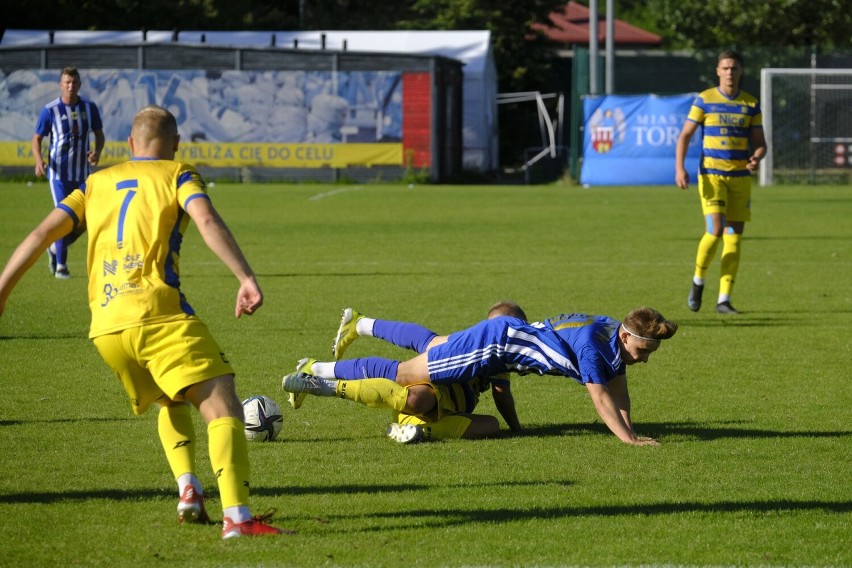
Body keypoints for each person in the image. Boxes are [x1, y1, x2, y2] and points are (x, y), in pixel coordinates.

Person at [2, 105, 286, 539]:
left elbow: (42, 234)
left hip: (106, 327)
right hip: (159, 315)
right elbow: (206, 218)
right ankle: (238, 518)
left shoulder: (95, 183)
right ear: (175, 146)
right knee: (221, 402)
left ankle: (189, 489)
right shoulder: (178, 174)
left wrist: (2, 290)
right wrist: (245, 277)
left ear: (130, 146)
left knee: (170, 399)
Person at [284, 306, 677, 446]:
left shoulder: (614, 333)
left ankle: (360, 325)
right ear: (627, 336)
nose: (643, 359)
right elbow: (601, 398)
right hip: (496, 345)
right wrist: (627, 440)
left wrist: (633, 430)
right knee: (405, 373)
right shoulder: (595, 346)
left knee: (433, 343)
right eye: (642, 350)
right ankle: (315, 370)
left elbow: (619, 390)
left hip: (500, 342)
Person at [290, 301, 525, 444]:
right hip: (418, 398)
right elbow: (502, 394)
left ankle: (420, 432)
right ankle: (319, 376)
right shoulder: (481, 344)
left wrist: (516, 429)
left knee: (491, 426)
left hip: (440, 414)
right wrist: (517, 428)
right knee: (415, 383)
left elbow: (501, 391)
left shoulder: (500, 356)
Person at [675, 50, 767, 315]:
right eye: (725, 68)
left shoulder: (750, 104)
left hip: (740, 178)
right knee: (715, 229)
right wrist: (679, 168)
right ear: (717, 70)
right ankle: (698, 281)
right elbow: (684, 136)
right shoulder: (704, 100)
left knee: (735, 236)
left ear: (741, 71)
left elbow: (761, 144)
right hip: (712, 175)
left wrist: (756, 157)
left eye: (734, 68)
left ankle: (724, 299)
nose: (730, 72)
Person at [32, 66, 105, 279]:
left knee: (85, 221)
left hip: (83, 174)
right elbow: (37, 138)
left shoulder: (89, 109)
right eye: (67, 82)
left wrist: (97, 152)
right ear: (61, 85)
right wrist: (39, 161)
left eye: (74, 83)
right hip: (59, 175)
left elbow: (99, 135)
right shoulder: (50, 110)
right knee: (64, 218)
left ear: (79, 85)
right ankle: (61, 266)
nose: (71, 86)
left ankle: (54, 248)